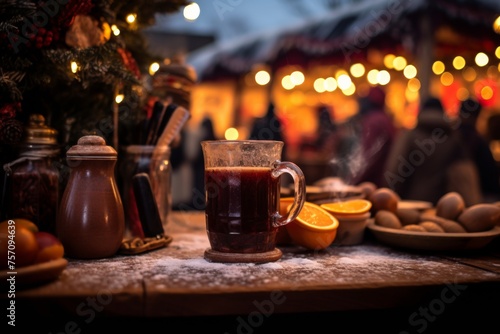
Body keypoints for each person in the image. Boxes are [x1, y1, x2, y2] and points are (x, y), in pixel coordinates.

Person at [383, 96, 482, 206]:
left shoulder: (409, 136)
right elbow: (463, 172)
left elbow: (395, 169)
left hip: (411, 204)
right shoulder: (453, 137)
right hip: (445, 204)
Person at [348, 86, 397, 187]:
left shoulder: (374, 121)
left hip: (374, 183)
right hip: (383, 179)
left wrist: (352, 182)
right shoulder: (384, 119)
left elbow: (369, 156)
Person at [457, 98, 500, 202]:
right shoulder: (477, 140)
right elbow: (490, 176)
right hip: (477, 197)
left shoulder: (450, 137)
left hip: (454, 197)